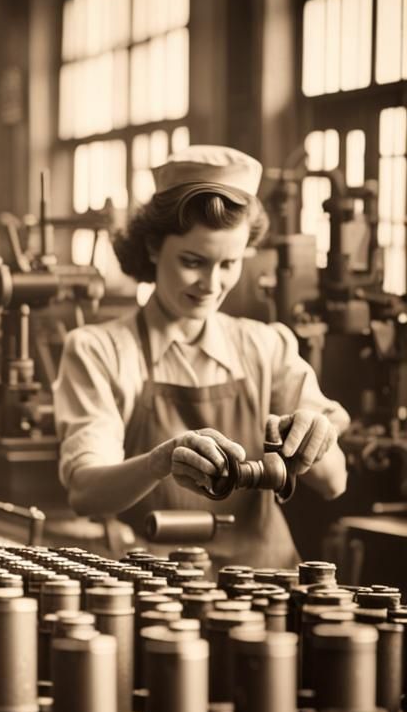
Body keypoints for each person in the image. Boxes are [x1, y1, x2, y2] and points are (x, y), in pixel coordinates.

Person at [53, 145, 349, 569]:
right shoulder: (100, 351)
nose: (212, 284)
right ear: (153, 247)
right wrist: (159, 462)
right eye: (193, 261)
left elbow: (334, 483)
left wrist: (314, 444)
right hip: (154, 587)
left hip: (266, 584)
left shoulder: (266, 346)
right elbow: (86, 492)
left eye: (229, 263)